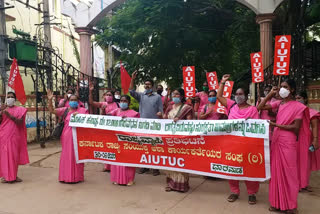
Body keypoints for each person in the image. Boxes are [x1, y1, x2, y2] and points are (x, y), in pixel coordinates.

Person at [258, 79, 309, 214]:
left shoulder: (298, 106)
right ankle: (276, 203)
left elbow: (296, 128)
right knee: (275, 173)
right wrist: (269, 95)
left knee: (289, 173)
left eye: (285, 87)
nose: (282, 89)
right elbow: (260, 107)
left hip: (288, 142)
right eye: (281, 87)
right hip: (277, 140)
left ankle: (291, 206)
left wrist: (276, 125)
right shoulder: (279, 103)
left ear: (292, 90)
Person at [217, 74, 260, 205]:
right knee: (232, 168)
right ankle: (234, 191)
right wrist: (222, 83)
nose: (238, 96)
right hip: (232, 144)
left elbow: (256, 127)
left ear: (246, 96)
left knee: (249, 168)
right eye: (236, 93)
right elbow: (219, 97)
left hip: (247, 144)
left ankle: (252, 193)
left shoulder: (253, 109)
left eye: (240, 93)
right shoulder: (231, 106)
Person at [47, 89, 88, 183]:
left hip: (78, 136)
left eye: (75, 100)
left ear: (78, 102)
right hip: (66, 136)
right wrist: (50, 100)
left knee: (77, 155)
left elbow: (88, 122)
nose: (73, 102)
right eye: (71, 100)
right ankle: (65, 176)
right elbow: (52, 110)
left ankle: (77, 177)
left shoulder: (83, 110)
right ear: (68, 102)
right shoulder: (65, 110)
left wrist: (80, 117)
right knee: (67, 155)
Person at [129, 71, 163, 176]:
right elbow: (131, 91)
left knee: (155, 146)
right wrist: (132, 79)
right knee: (144, 146)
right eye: (145, 84)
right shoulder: (141, 96)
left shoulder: (157, 97)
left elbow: (161, 110)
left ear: (152, 86)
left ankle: (156, 168)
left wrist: (160, 113)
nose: (147, 85)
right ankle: (144, 166)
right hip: (143, 126)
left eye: (149, 84)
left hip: (154, 126)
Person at [161, 88, 193, 192]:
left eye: (177, 94)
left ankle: (182, 185)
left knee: (181, 161)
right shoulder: (170, 107)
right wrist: (160, 117)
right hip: (170, 139)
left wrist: (180, 122)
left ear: (182, 96)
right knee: (171, 161)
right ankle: (171, 184)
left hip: (181, 140)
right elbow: (165, 120)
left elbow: (190, 123)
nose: (175, 96)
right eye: (173, 94)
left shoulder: (187, 108)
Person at [109, 95, 139, 185]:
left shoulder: (134, 113)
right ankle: (116, 178)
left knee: (128, 158)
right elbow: (105, 118)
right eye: (121, 101)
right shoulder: (116, 111)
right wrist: (103, 110)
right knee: (117, 158)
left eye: (125, 101)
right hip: (116, 139)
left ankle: (130, 179)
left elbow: (138, 126)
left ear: (129, 103)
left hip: (128, 139)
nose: (123, 103)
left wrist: (129, 120)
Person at [0, 92, 29, 183]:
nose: (10, 98)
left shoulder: (20, 110)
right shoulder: (3, 109)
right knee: (5, 156)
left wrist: (9, 115)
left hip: (15, 136)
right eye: (8, 97)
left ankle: (13, 176)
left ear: (15, 99)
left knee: (14, 156)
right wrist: (0, 112)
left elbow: (20, 122)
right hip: (3, 136)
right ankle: (6, 176)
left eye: (12, 97)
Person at [89, 83, 119, 171]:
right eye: (107, 95)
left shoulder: (117, 105)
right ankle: (107, 166)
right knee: (106, 147)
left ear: (113, 97)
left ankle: (115, 165)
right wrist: (90, 92)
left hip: (115, 128)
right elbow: (91, 103)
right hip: (106, 129)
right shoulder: (103, 104)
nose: (109, 96)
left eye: (110, 95)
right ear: (104, 96)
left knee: (115, 147)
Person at [296, 91, 320, 189]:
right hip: (294, 139)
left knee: (305, 162)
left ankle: (303, 184)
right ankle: (295, 183)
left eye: (300, 98)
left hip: (306, 139)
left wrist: (315, 140)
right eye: (296, 98)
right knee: (294, 161)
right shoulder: (294, 111)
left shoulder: (311, 112)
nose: (297, 100)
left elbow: (314, 127)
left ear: (305, 99)